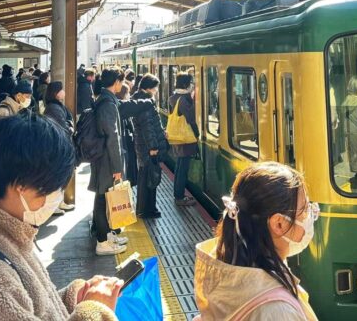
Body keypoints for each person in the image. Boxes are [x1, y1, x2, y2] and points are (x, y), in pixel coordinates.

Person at [0, 114, 121, 320]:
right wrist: (94, 312)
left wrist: (72, 299)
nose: (57, 195)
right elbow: (0, 305)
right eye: (54, 186)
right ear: (21, 186)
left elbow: (24, 307)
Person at [194, 162, 320, 320]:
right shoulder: (278, 311)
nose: (311, 216)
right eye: (305, 209)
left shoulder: (224, 268)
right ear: (279, 224)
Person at [89, 68, 155, 256]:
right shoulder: (107, 104)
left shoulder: (106, 99)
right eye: (121, 81)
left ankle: (107, 235)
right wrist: (118, 168)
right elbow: (113, 138)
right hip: (107, 161)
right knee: (103, 200)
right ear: (116, 82)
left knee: (105, 198)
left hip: (104, 159)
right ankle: (102, 242)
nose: (122, 85)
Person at [131, 74, 169, 219]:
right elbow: (148, 127)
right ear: (148, 88)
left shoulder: (139, 99)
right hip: (148, 148)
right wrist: (153, 148)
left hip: (143, 146)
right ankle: (147, 210)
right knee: (149, 179)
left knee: (145, 177)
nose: (156, 90)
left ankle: (144, 208)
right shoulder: (145, 103)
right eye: (155, 88)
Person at [43, 80, 77, 213]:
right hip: (57, 148)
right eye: (61, 89)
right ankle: (53, 206)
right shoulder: (53, 108)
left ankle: (59, 202)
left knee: (61, 176)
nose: (64, 92)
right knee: (57, 176)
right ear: (56, 93)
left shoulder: (56, 106)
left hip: (60, 146)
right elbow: (62, 128)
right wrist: (70, 126)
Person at [169, 72, 199, 206]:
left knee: (179, 166)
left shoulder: (173, 97)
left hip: (176, 137)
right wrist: (197, 135)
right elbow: (191, 119)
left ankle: (178, 193)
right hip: (185, 138)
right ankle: (179, 197)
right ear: (187, 84)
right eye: (191, 82)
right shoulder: (185, 100)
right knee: (183, 168)